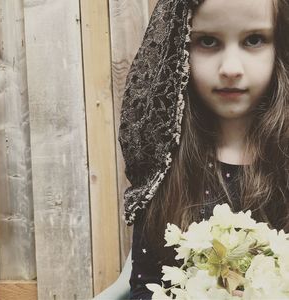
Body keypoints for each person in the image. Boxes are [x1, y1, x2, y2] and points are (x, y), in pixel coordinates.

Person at [118, 0, 289, 299]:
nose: (231, 69)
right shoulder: (165, 167)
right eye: (208, 41)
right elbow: (145, 285)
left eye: (254, 40)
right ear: (179, 48)